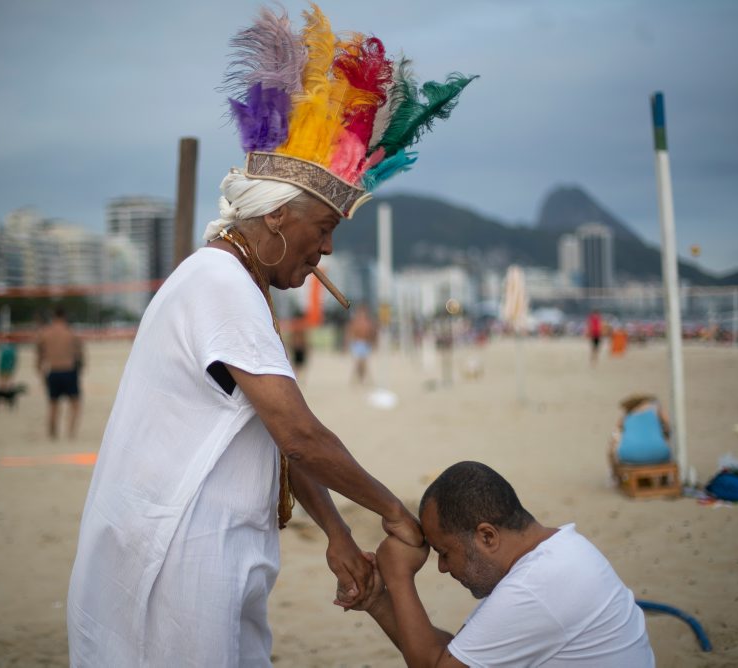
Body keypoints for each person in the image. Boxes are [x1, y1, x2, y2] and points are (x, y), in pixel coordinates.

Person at [67, 5, 475, 664]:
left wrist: (338, 533)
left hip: (205, 547)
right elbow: (299, 434)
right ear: (280, 219)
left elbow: (270, 433)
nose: (327, 252)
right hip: (179, 552)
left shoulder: (234, 283)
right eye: (323, 231)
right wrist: (391, 512)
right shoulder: (220, 283)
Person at [351, 461, 655, 667]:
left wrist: (399, 576)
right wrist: (378, 601)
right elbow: (460, 654)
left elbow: (439, 665)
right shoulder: (560, 552)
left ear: (487, 536)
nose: (443, 567)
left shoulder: (535, 588)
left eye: (445, 552)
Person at [35, 306, 84, 439]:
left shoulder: (45, 333)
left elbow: (39, 356)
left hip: (53, 371)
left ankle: (53, 434)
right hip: (69, 371)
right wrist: (80, 370)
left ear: (53, 317)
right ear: (65, 317)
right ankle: (71, 433)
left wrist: (40, 372)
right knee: (75, 405)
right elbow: (79, 355)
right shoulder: (71, 333)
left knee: (53, 405)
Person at [609, 394, 671, 471]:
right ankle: (664, 479)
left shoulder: (626, 415)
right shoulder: (656, 408)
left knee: (612, 450)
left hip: (629, 455)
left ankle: (616, 478)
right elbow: (669, 428)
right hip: (660, 453)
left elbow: (615, 434)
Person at [346, 303, 377, 385]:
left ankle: (362, 379)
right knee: (358, 363)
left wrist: (373, 343)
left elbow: (373, 333)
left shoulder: (369, 322)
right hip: (357, 343)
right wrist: (348, 343)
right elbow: (350, 332)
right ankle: (356, 379)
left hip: (366, 344)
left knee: (364, 363)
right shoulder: (355, 321)